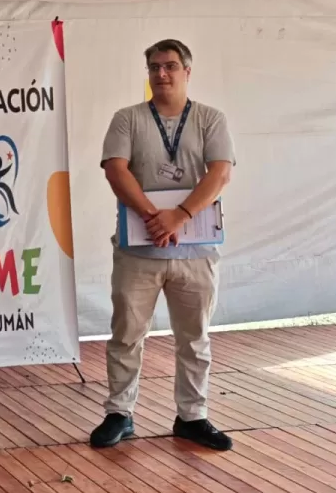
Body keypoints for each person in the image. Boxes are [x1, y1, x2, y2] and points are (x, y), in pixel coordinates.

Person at [91, 39, 235, 451]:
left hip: (196, 251)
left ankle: (193, 416)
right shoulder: (127, 119)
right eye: (154, 67)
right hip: (139, 250)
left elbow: (220, 172)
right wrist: (156, 218)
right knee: (126, 334)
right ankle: (119, 413)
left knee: (194, 337)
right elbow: (115, 170)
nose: (161, 74)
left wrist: (180, 215)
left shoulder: (210, 118)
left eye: (170, 66)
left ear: (187, 71)